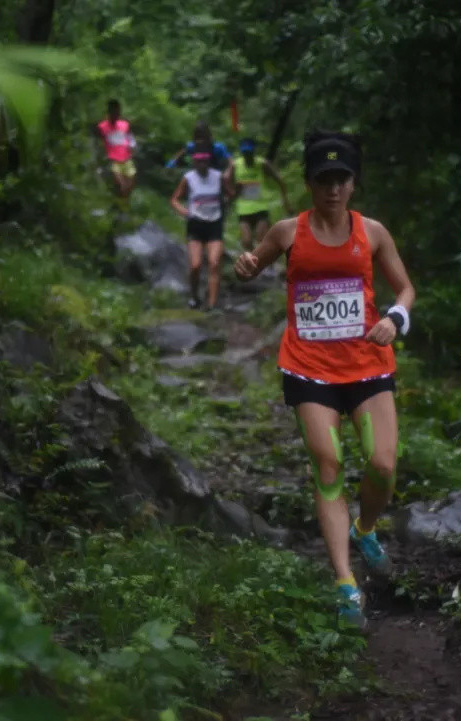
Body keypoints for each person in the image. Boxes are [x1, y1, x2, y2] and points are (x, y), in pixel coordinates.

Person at [233, 130, 416, 629]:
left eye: (341, 178)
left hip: (368, 367)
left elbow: (404, 289)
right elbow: (252, 268)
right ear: (310, 183)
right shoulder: (288, 232)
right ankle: (345, 585)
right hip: (309, 369)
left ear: (353, 183)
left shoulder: (372, 233)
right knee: (329, 465)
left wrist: (395, 320)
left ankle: (367, 527)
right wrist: (246, 265)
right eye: (323, 179)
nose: (333, 188)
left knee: (383, 464)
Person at [171, 147, 232, 311]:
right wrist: (183, 211)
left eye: (204, 161)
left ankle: (212, 304)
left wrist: (231, 196)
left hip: (214, 224)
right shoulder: (188, 178)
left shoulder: (218, 177)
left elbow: (229, 193)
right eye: (198, 161)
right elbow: (175, 199)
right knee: (196, 265)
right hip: (196, 224)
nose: (202, 164)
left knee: (214, 263)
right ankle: (194, 296)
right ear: (194, 162)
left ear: (209, 161)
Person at [232, 137, 294, 251]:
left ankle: (265, 264)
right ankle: (253, 263)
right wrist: (232, 192)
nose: (247, 155)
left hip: (260, 207)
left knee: (262, 239)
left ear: (253, 151)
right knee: (246, 241)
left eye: (249, 152)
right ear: (242, 152)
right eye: (245, 153)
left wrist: (286, 201)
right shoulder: (236, 165)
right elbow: (226, 180)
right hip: (243, 209)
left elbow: (279, 180)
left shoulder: (262, 163)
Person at [94, 99, 136, 207]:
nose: (116, 115)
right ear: (109, 112)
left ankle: (122, 208)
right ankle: (118, 207)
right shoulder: (102, 127)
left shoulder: (125, 125)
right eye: (113, 112)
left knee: (129, 187)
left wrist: (132, 147)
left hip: (127, 159)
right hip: (113, 160)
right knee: (121, 186)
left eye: (117, 112)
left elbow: (130, 138)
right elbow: (98, 143)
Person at [165, 120, 232, 172]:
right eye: (198, 137)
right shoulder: (192, 146)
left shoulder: (217, 148)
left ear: (208, 137)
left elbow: (231, 163)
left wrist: (227, 173)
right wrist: (170, 166)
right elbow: (177, 157)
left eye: (203, 137)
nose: (201, 141)